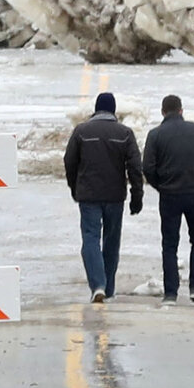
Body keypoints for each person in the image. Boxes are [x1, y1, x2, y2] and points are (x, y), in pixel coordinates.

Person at [64, 90, 142, 303]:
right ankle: (108, 287)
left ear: (96, 109)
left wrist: (74, 187)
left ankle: (97, 285)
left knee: (90, 238)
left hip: (88, 195)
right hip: (115, 196)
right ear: (113, 110)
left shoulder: (81, 131)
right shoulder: (125, 133)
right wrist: (137, 195)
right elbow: (135, 167)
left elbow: (69, 161)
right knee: (111, 241)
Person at [141, 94, 194, 304]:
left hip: (170, 196)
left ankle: (171, 293)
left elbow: (147, 167)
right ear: (181, 111)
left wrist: (161, 185)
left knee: (169, 245)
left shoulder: (155, 135)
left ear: (163, 112)